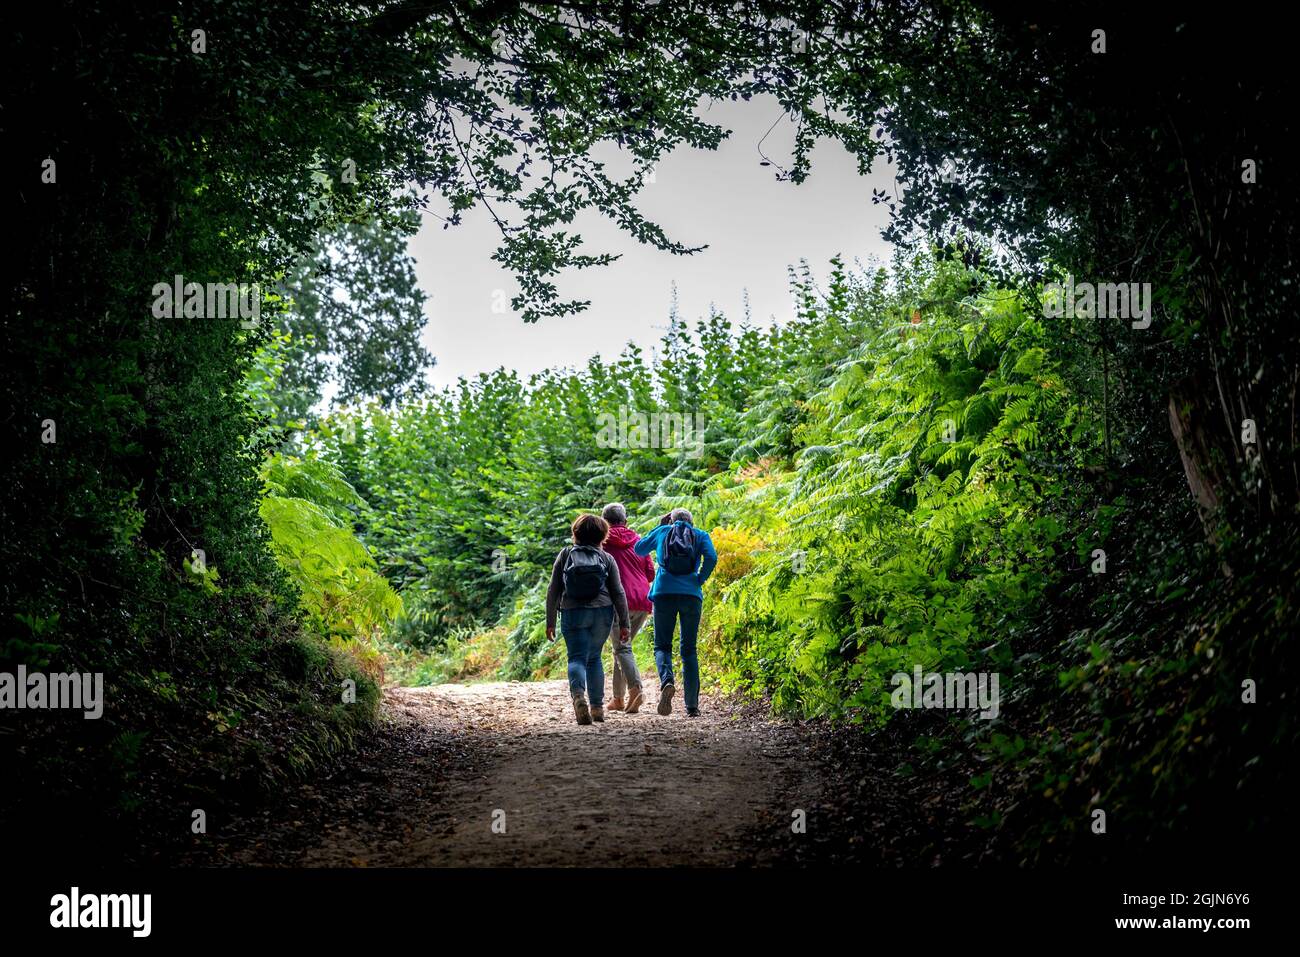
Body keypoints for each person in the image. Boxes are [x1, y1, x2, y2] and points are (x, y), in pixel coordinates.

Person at [546, 513, 631, 725]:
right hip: (602, 611)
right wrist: (624, 623)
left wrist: (550, 621)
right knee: (594, 658)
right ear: (603, 535)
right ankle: (597, 708)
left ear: (575, 533)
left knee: (576, 657)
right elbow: (618, 592)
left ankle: (578, 697)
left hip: (572, 611)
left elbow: (553, 589)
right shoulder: (606, 558)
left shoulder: (566, 554)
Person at [633, 508, 716, 717]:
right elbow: (712, 557)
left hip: (664, 593)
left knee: (662, 645)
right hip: (691, 595)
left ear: (671, 520)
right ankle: (692, 706)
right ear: (692, 522)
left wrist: (661, 526)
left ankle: (667, 681)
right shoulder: (700, 535)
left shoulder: (663, 532)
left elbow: (639, 549)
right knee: (689, 649)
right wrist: (699, 579)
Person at [599, 502, 655, 714]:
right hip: (642, 600)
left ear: (604, 522)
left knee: (622, 648)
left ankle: (636, 689)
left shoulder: (602, 542)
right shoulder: (639, 541)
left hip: (617, 601)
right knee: (622, 647)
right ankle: (618, 698)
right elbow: (650, 574)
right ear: (626, 521)